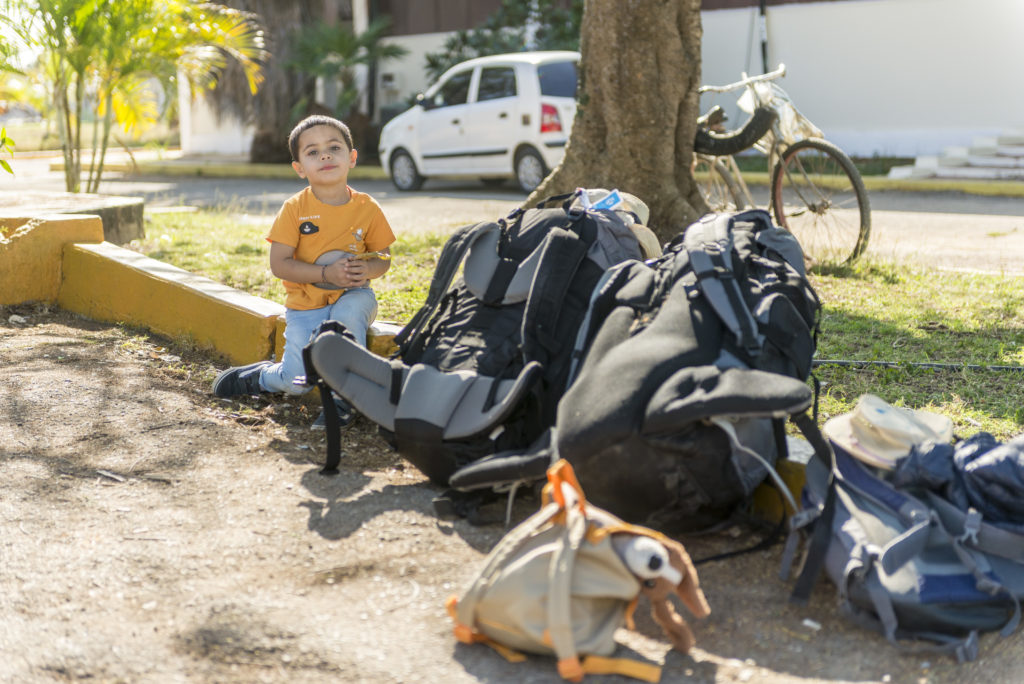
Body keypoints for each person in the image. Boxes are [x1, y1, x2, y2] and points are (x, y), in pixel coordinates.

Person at [212, 115, 395, 429]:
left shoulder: (368, 207)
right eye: (312, 152)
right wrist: (326, 275)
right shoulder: (294, 209)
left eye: (334, 147)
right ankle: (264, 377)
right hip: (306, 306)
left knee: (349, 313)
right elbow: (279, 264)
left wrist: (368, 267)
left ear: (351, 158)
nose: (324, 155)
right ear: (299, 168)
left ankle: (344, 399)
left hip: (354, 295)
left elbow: (384, 257)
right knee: (298, 381)